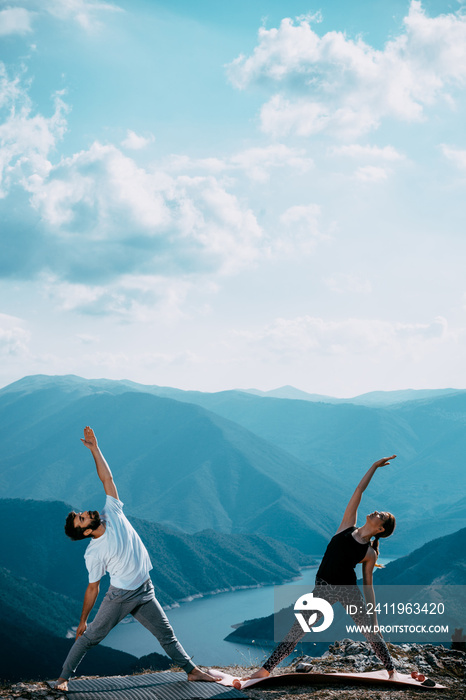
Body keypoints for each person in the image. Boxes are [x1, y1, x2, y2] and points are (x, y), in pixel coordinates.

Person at [53, 426, 219, 690]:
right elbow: (93, 587)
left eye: (82, 513)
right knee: (90, 637)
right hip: (121, 597)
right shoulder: (93, 551)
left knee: (166, 636)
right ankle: (62, 679)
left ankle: (193, 671)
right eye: (82, 518)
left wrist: (95, 449)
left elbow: (107, 479)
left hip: (145, 589)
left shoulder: (112, 512)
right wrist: (83, 620)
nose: (86, 512)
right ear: (85, 530)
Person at [247, 456, 398, 680]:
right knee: (298, 630)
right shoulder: (348, 525)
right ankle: (266, 669)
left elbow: (368, 588)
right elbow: (359, 490)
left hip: (348, 591)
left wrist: (374, 620)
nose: (376, 512)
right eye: (378, 511)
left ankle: (392, 671)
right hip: (323, 589)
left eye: (381, 515)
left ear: (381, 528)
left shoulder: (369, 552)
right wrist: (374, 467)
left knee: (369, 632)